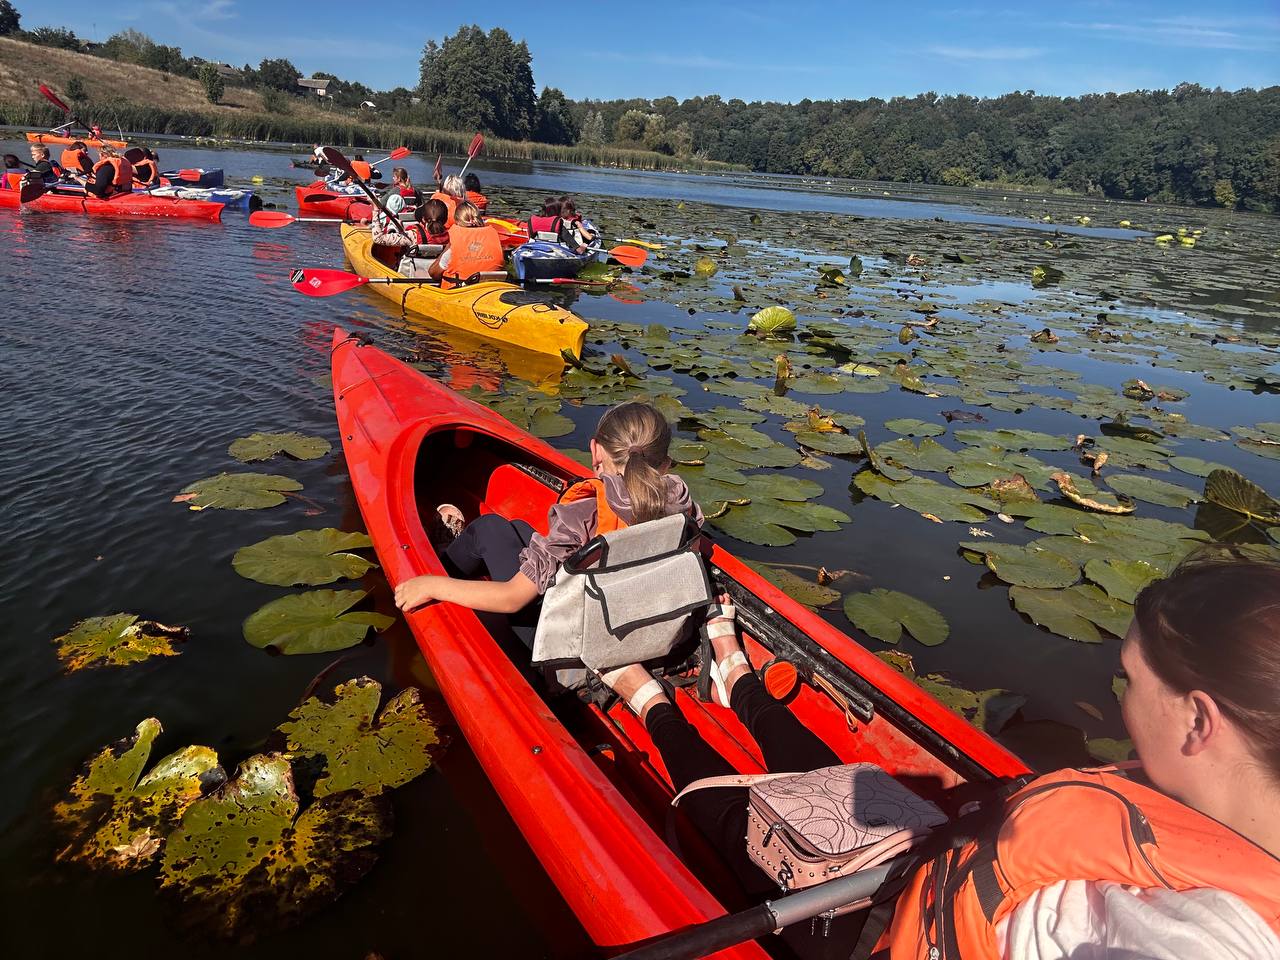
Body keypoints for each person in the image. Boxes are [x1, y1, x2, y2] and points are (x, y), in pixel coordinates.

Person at [596, 553, 1280, 960]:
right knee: (834, 774)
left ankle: (652, 702)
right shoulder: (1221, 806)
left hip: (870, 934)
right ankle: (739, 682)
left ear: (1197, 720)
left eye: (1129, 679)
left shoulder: (1209, 943)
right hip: (926, 858)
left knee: (734, 811)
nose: (1120, 697)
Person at [394, 401, 703, 652]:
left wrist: (430, 586)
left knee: (490, 527)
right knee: (516, 527)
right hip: (635, 617)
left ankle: (444, 561)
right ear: (664, 463)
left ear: (596, 452)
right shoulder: (683, 502)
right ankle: (456, 553)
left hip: (563, 640)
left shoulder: (585, 514)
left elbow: (512, 599)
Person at [428, 200, 505, 289]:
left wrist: (448, 247)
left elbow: (433, 273)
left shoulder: (452, 248)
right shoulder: (493, 239)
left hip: (460, 293)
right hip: (490, 290)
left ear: (457, 221)